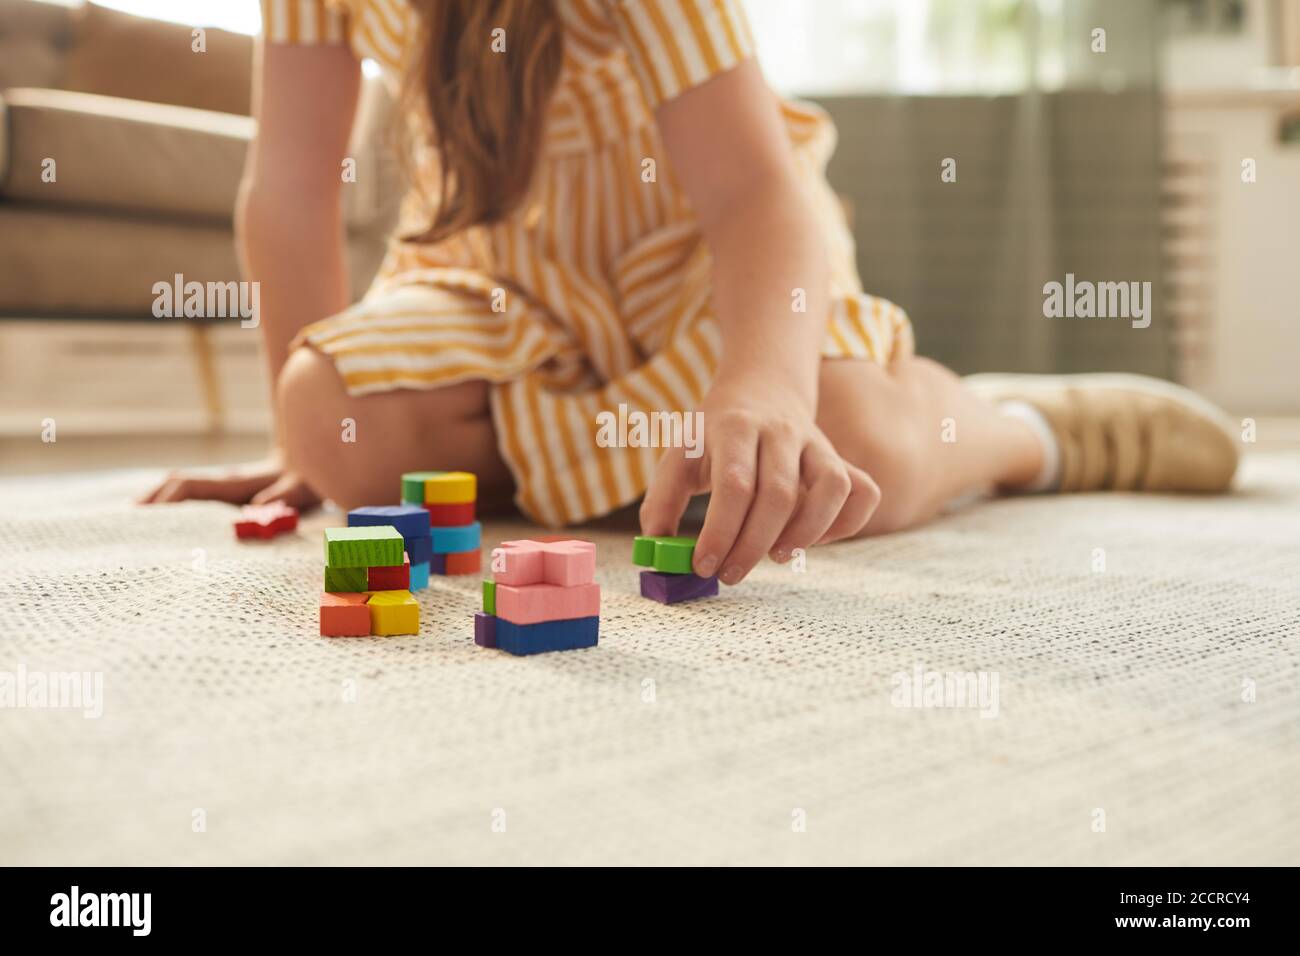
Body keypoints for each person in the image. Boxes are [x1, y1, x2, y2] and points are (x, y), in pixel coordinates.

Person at [144, 0, 1238, 587]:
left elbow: (758, 194)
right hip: (500, 281)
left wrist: (764, 386)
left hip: (704, 259)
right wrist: (305, 437)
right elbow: (285, 190)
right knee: (326, 406)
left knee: (841, 438)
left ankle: (1016, 428)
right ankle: (653, 457)